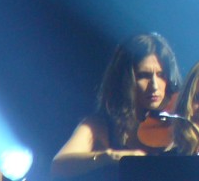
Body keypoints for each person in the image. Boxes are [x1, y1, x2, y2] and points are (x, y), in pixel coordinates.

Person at [51, 32, 181, 178]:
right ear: (125, 80)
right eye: (143, 76)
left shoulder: (179, 124)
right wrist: (109, 156)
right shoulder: (100, 125)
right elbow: (59, 165)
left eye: (161, 75)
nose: (155, 86)